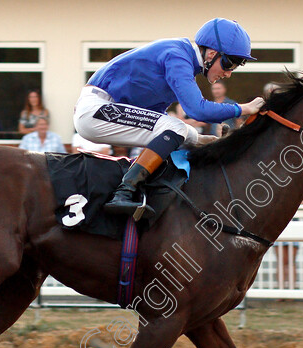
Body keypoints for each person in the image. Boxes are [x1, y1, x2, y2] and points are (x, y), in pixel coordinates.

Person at [74, 18, 264, 217]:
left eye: (234, 66)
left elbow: (157, 119)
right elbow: (198, 110)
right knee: (178, 129)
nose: (228, 73)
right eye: (229, 63)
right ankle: (124, 192)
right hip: (97, 109)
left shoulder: (184, 63)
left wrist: (198, 140)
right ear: (211, 53)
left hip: (104, 110)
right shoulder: (177, 56)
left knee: (189, 134)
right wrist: (243, 108)